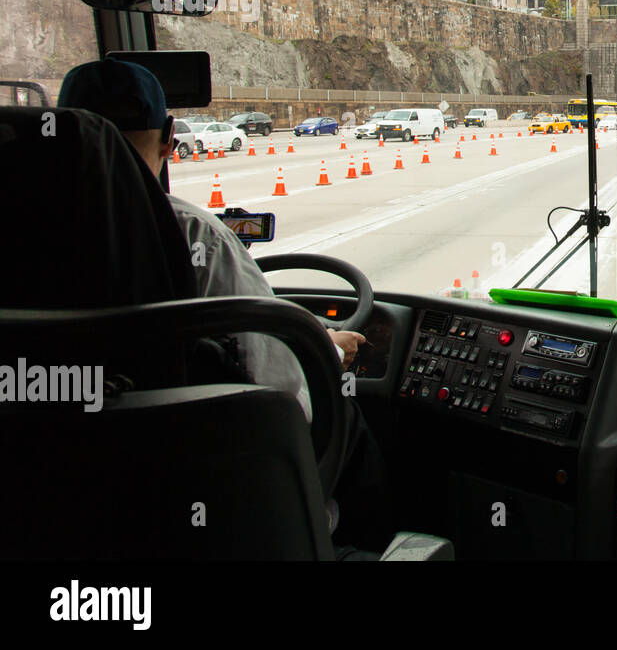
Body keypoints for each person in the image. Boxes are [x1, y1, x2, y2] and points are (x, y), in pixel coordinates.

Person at [58, 60, 393, 548]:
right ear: (171, 138)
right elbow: (283, 396)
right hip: (184, 493)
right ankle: (363, 546)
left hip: (56, 495)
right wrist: (322, 351)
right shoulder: (192, 235)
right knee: (341, 405)